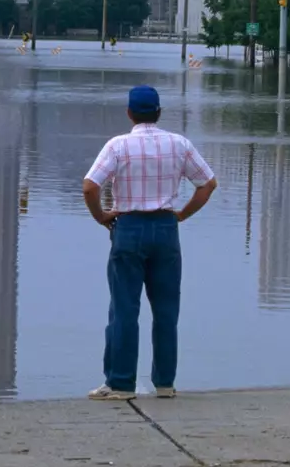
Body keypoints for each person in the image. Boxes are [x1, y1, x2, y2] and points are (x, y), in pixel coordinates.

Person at [82, 84, 217, 401]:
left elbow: (89, 187)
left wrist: (101, 217)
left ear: (129, 113)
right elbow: (208, 184)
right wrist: (181, 215)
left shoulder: (118, 146)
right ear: (158, 112)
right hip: (166, 229)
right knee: (167, 310)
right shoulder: (178, 144)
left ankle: (120, 383)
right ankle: (165, 383)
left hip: (128, 228)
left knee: (124, 309)